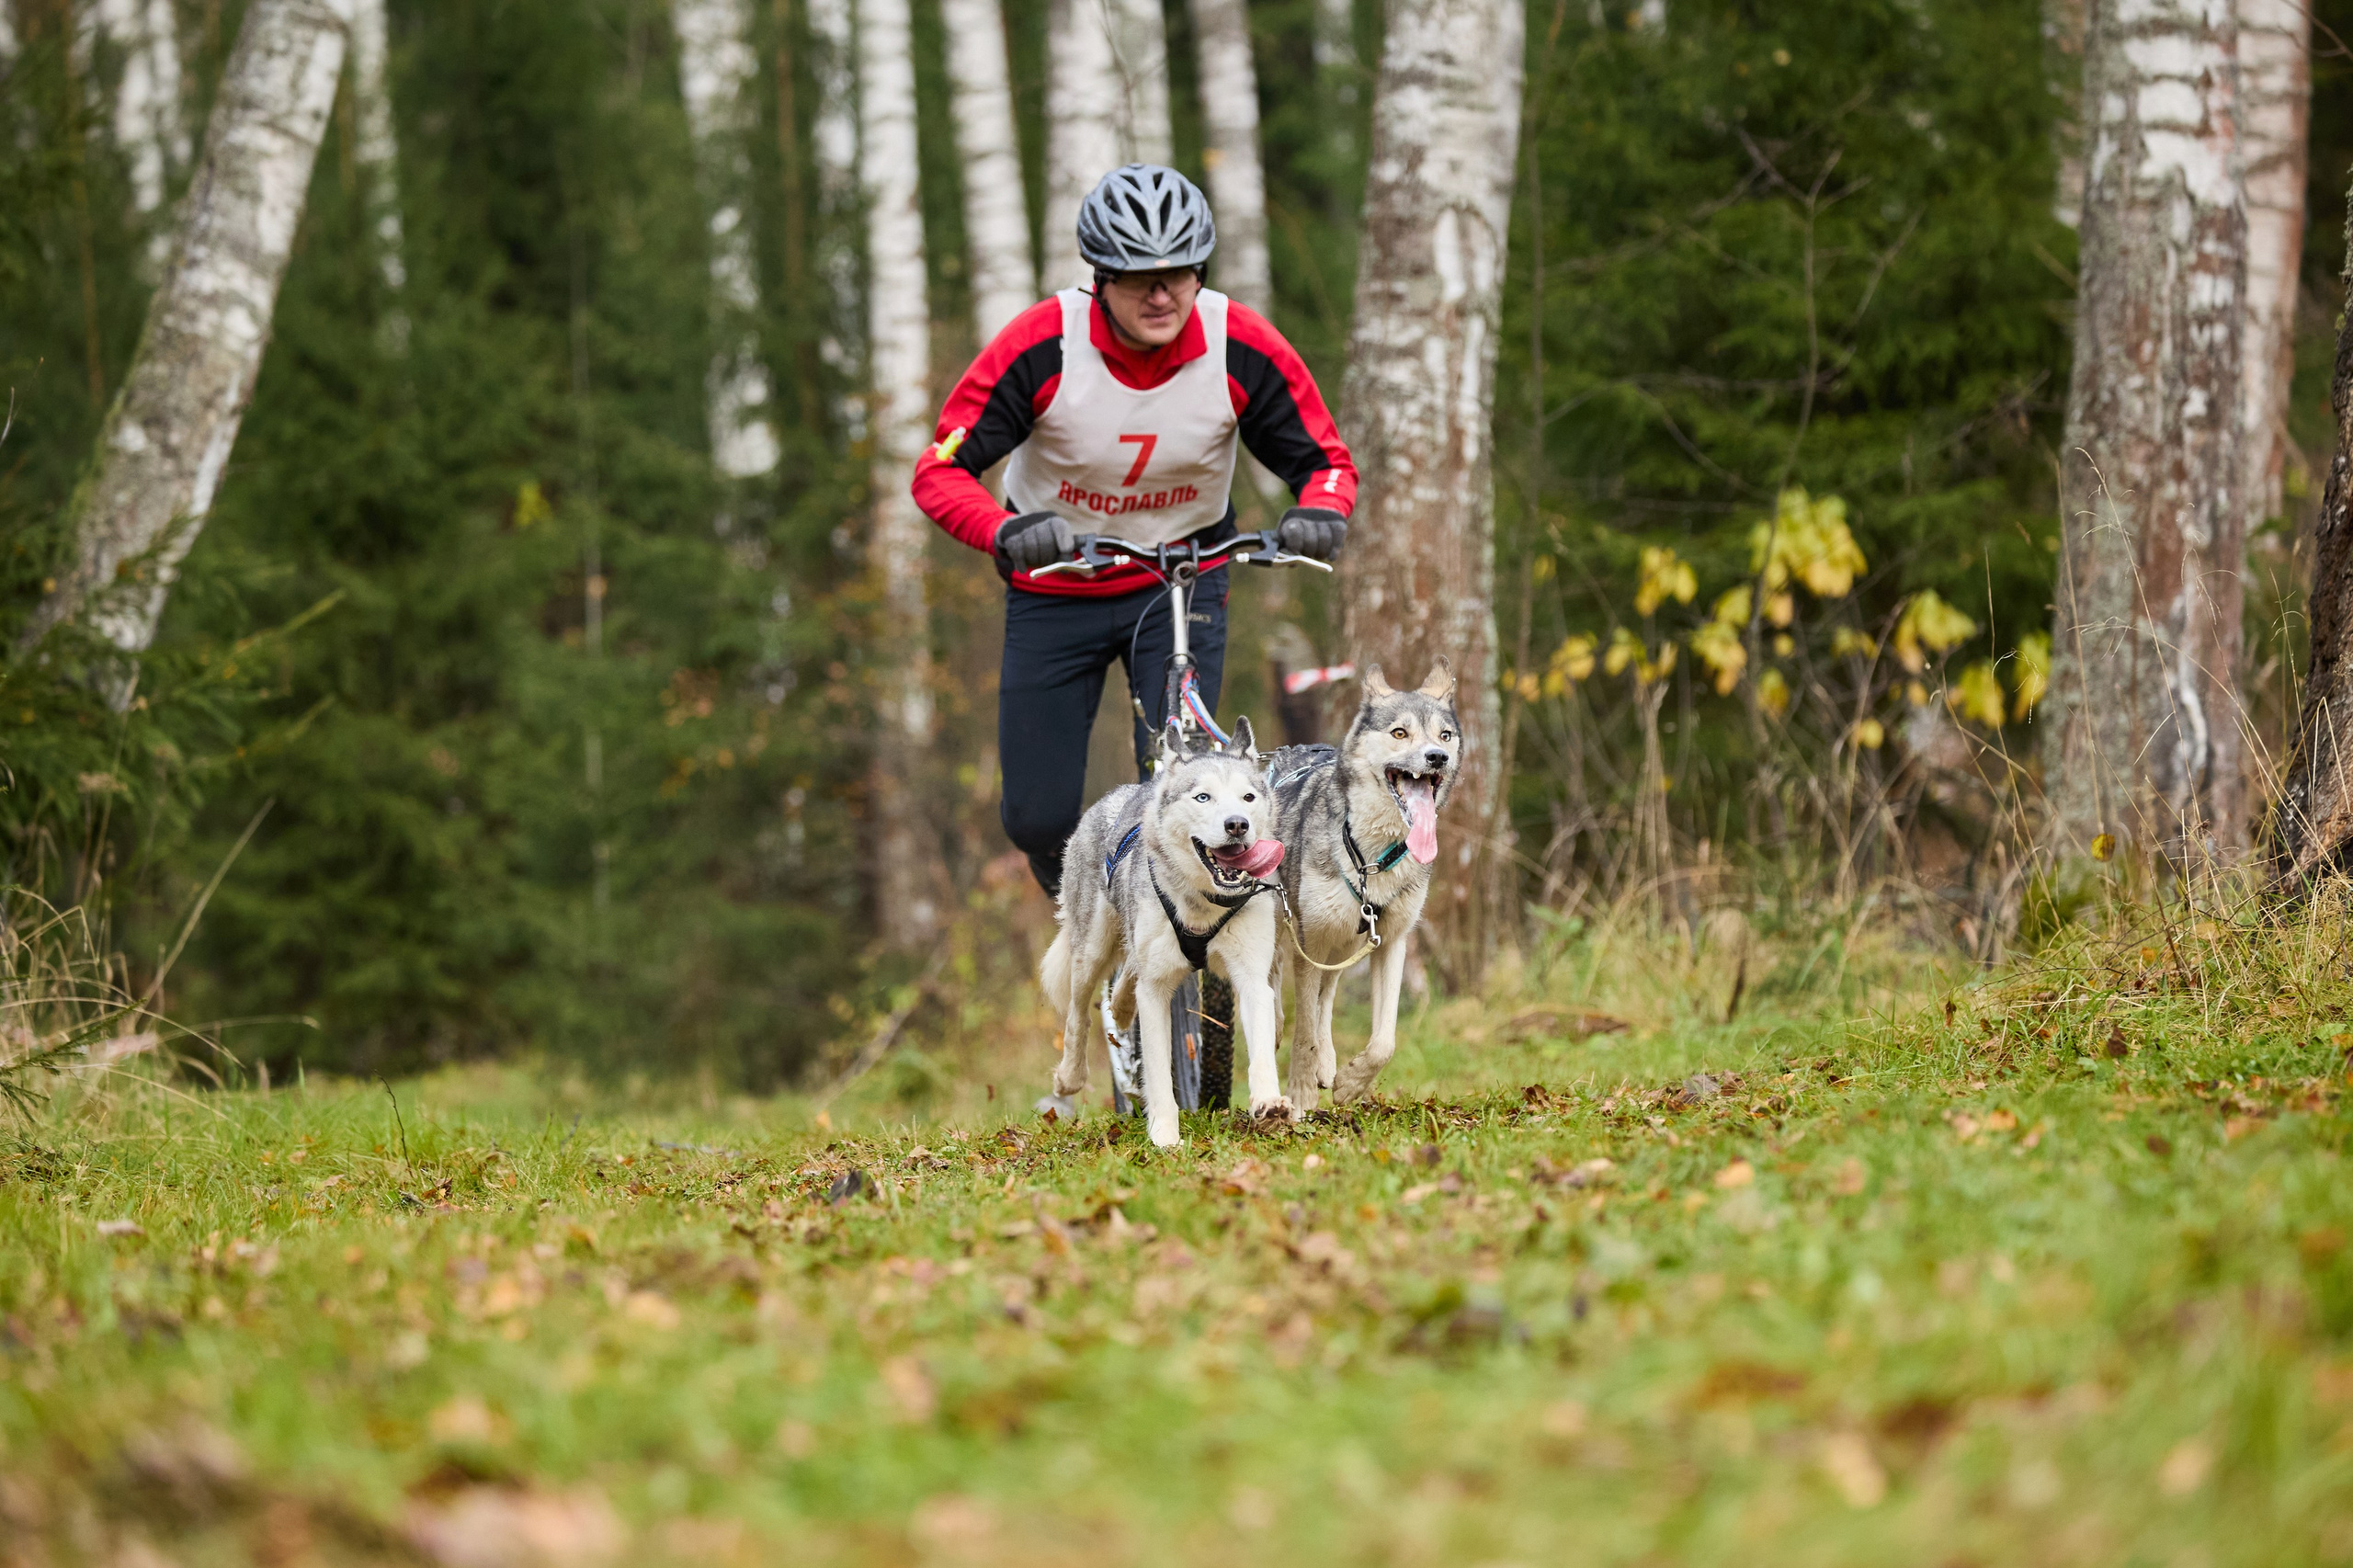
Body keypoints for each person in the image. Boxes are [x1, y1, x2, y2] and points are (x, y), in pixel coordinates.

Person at [913, 164, 1358, 895]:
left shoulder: (1239, 344)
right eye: (1138, 278)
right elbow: (939, 470)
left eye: (1178, 275)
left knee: (1181, 790)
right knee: (1037, 816)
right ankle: (1095, 913)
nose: (1161, 295)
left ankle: (1186, 946)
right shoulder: (1042, 345)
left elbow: (1325, 463)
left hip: (1183, 582)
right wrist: (1002, 530)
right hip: (1056, 587)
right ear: (1100, 279)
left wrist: (1321, 512)